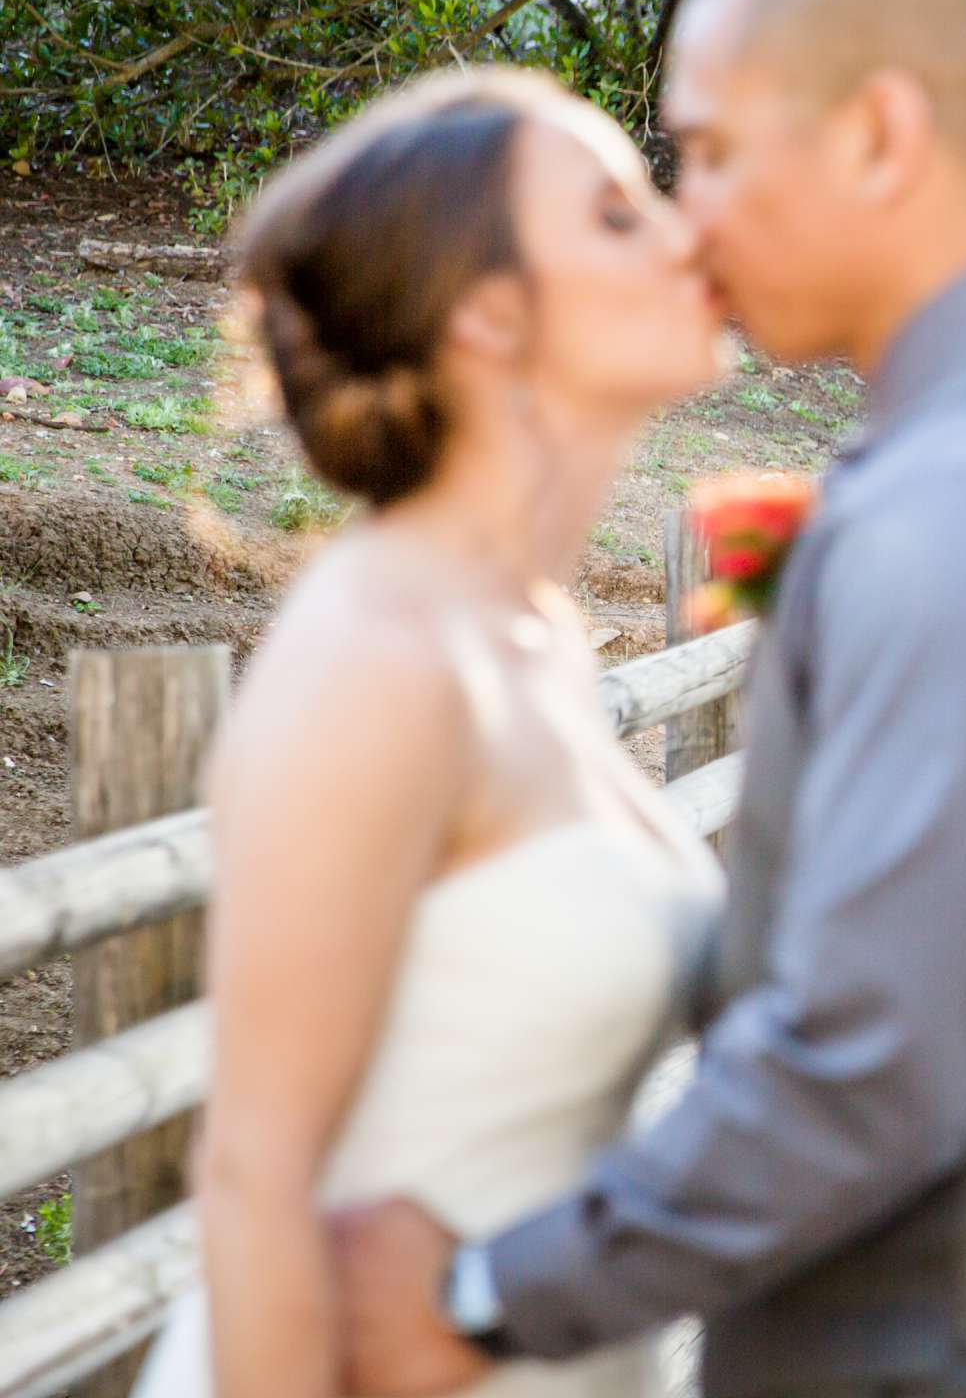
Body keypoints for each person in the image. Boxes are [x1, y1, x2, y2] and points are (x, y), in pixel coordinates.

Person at [331, 0, 966, 1398]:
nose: (687, 214)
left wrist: (484, 1294)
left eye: (707, 150)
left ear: (880, 137)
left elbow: (876, 1058)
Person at [135, 67, 730, 1397]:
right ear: (489, 318)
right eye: (621, 217)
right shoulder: (380, 657)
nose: (690, 234)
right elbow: (254, 1175)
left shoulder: (528, 635)